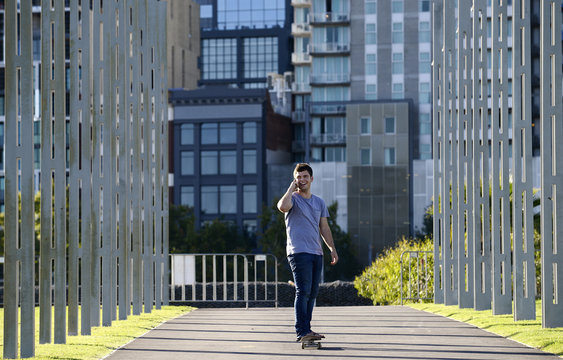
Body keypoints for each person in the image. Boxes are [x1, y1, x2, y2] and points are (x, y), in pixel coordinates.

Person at [277, 163, 339, 342]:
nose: (302, 180)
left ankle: (307, 329)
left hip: (316, 252)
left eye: (305, 176)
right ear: (295, 179)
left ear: (311, 179)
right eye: (298, 177)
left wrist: (332, 249)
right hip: (298, 252)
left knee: (312, 293)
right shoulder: (292, 199)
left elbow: (324, 228)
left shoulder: (319, 202)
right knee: (302, 291)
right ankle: (301, 331)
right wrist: (291, 188)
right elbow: (282, 206)